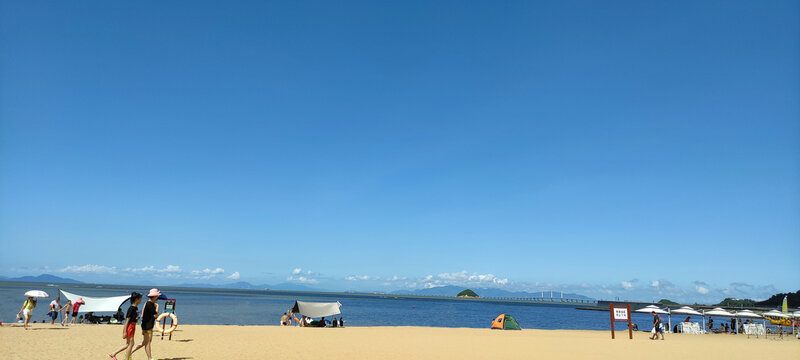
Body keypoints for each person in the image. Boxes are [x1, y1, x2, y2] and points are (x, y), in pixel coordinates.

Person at [108, 292, 142, 360]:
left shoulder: (135, 308)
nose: (141, 300)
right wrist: (124, 331)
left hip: (133, 326)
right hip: (129, 327)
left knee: (127, 344)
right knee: (131, 344)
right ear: (136, 299)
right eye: (140, 299)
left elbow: (132, 318)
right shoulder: (131, 308)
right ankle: (126, 358)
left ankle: (113, 354)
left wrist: (136, 318)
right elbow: (127, 320)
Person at [131, 288, 160, 360]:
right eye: (157, 296)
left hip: (146, 325)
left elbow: (142, 315)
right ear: (155, 296)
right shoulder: (150, 305)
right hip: (147, 326)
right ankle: (150, 358)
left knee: (145, 342)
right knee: (147, 343)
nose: (158, 297)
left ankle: (130, 352)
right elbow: (156, 316)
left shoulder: (147, 303)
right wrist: (157, 307)